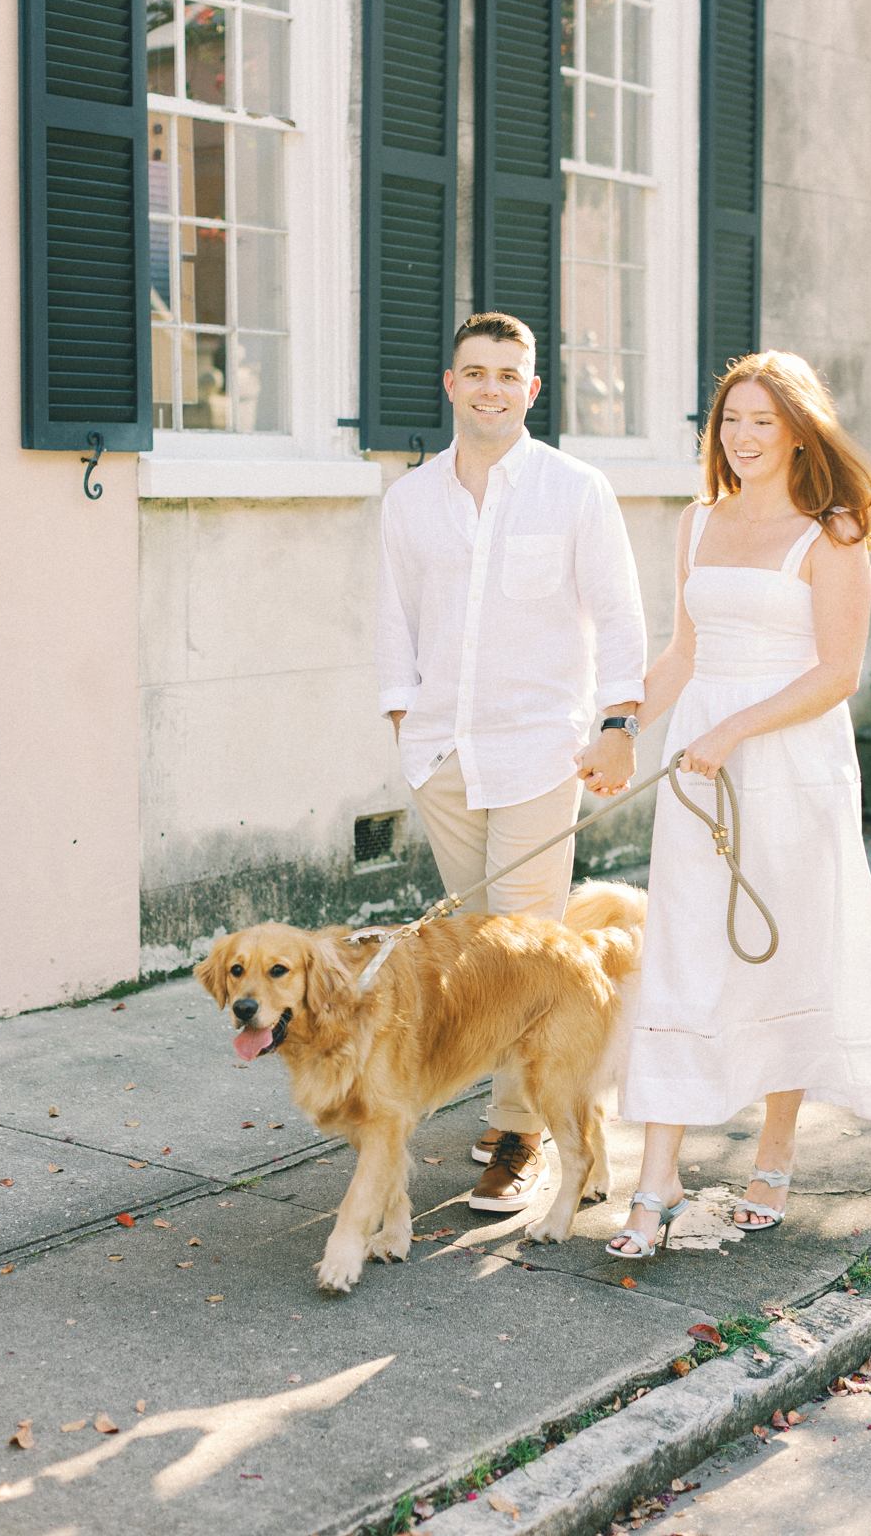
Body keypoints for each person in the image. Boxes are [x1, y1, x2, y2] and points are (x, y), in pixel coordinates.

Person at [590, 351, 871, 1260]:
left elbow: (836, 673)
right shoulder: (699, 522)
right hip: (701, 764)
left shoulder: (836, 533)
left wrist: (736, 729)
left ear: (797, 430)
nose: (742, 439)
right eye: (730, 421)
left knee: (783, 947)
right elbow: (682, 653)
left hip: (791, 763)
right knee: (684, 953)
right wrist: (622, 724)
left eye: (762, 423)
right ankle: (655, 1179)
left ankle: (773, 1155)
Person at [376, 312, 647, 1214]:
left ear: (532, 391)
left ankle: (521, 1134)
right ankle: (538, 1096)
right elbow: (393, 623)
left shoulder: (575, 490)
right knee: (475, 949)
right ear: (449, 384)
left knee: (520, 948)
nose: (491, 386)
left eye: (508, 374)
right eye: (475, 371)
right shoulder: (409, 500)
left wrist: (618, 723)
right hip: (443, 754)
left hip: (540, 752)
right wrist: (403, 724)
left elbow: (619, 613)